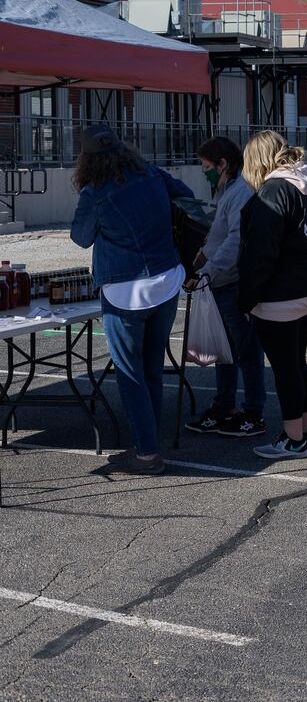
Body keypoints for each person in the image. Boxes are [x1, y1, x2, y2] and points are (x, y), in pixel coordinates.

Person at [69, 124, 195, 475]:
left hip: (125, 290)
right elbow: (185, 195)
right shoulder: (151, 172)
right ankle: (149, 441)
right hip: (167, 280)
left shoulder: (95, 192)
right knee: (152, 368)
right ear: (123, 149)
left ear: (87, 159)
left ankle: (146, 453)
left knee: (130, 372)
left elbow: (80, 238)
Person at [237, 132, 307, 460]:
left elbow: (258, 254)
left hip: (282, 295)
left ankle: (294, 440)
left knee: (285, 368)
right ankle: (305, 432)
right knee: (297, 362)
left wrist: (245, 300)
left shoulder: (273, 191)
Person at [184, 136, 269, 440]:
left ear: (223, 164)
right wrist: (205, 251)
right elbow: (221, 233)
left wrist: (207, 270)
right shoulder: (226, 190)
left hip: (232, 284)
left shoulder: (241, 192)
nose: (204, 172)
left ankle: (253, 412)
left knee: (246, 351)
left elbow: (236, 240)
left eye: (207, 167)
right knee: (225, 352)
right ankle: (224, 406)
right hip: (220, 283)